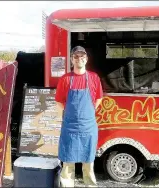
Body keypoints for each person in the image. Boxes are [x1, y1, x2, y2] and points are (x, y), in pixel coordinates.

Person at [55, 46, 103, 187]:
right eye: (75, 56)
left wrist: (89, 111)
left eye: (82, 56)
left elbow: (99, 98)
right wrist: (72, 112)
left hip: (88, 128)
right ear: (71, 59)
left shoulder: (94, 78)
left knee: (88, 164)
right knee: (68, 165)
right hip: (70, 128)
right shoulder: (65, 79)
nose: (79, 59)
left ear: (86, 59)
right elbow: (59, 101)